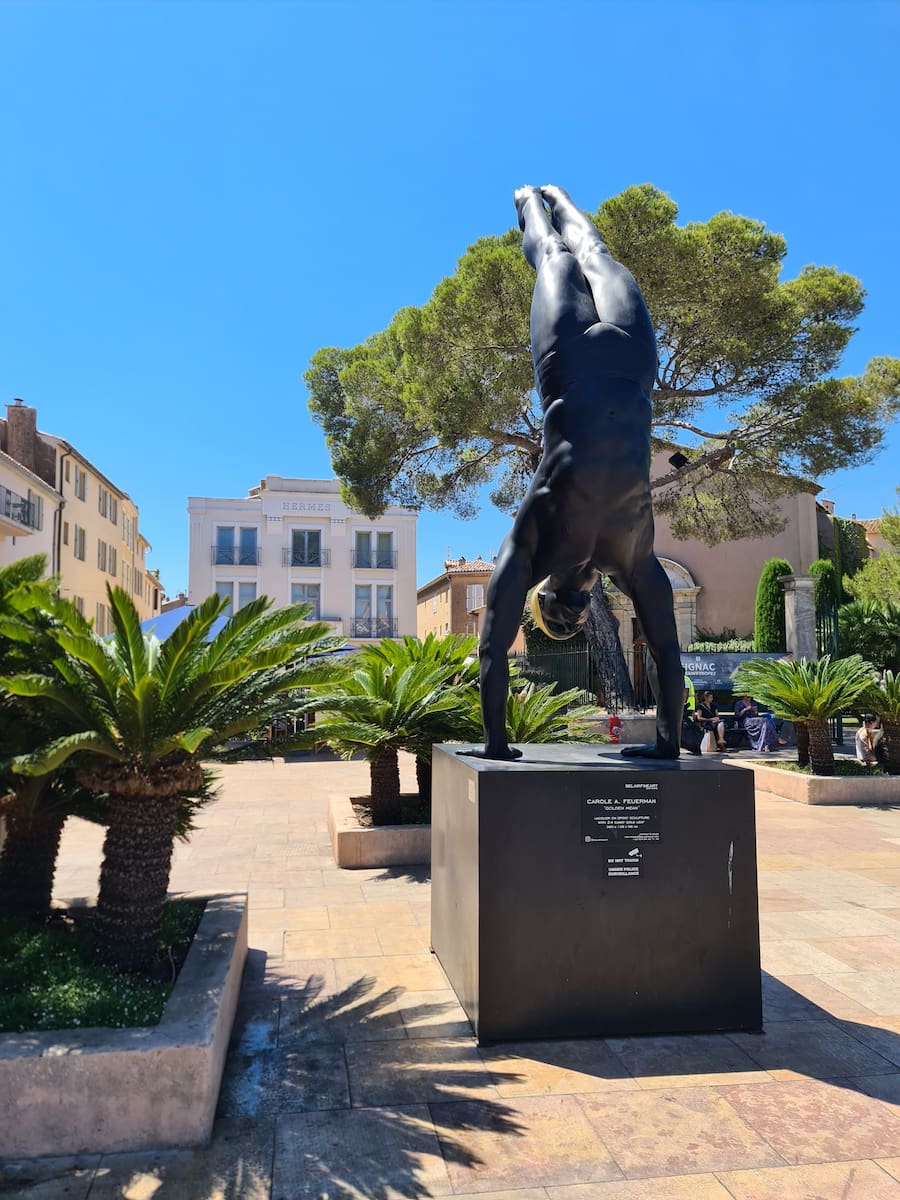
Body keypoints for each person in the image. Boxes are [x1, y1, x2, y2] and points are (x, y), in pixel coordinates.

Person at [467, 185, 684, 761]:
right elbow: (666, 651)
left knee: (558, 256)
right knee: (592, 255)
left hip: (574, 365)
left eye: (557, 620)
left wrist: (496, 744)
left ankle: (528, 200)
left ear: (545, 596)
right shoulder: (631, 560)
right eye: (572, 623)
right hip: (629, 367)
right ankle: (553, 199)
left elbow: (491, 648)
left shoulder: (538, 544)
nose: (569, 617)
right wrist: (666, 745)